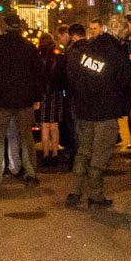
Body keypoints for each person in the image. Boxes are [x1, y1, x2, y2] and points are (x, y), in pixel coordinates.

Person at [64, 14, 131, 209]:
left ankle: (75, 192)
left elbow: (74, 75)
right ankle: (96, 196)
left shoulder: (89, 47)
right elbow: (124, 81)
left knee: (83, 153)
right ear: (122, 32)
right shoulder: (118, 53)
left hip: (84, 110)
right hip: (106, 113)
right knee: (99, 157)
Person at [0, 13, 44, 187]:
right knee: (26, 138)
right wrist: (36, 97)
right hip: (24, 101)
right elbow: (38, 75)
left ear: (4, 27)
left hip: (1, 101)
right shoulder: (29, 48)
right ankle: (30, 173)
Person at [58, 22, 87, 168]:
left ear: (72, 36)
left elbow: (69, 75)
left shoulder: (72, 52)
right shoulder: (92, 48)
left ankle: (78, 159)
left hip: (74, 95)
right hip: (89, 94)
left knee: (75, 128)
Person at [37, 32, 65, 168]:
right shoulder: (58, 58)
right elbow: (62, 77)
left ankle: (45, 154)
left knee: (44, 126)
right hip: (55, 93)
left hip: (42, 94)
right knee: (54, 126)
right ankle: (55, 153)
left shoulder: (37, 58)